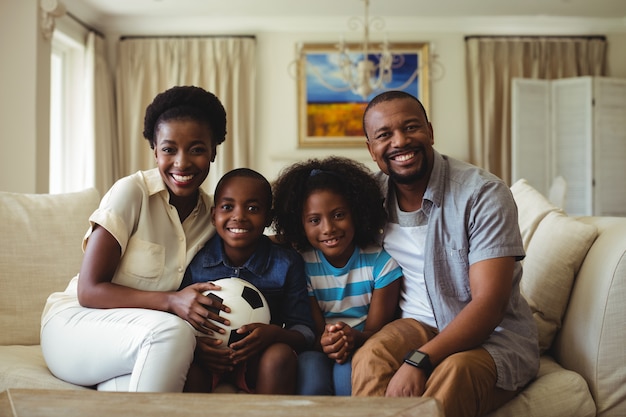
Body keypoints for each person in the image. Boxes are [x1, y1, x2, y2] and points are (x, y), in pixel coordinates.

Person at [352, 90, 539, 417]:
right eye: (384, 135)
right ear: (371, 150)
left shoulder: (482, 193)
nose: (400, 142)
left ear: (430, 132)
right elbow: (320, 232)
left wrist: (419, 360)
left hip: (491, 338)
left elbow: (489, 305)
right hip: (416, 324)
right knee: (370, 356)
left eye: (411, 128)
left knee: (455, 371)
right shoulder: (370, 195)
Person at [40, 85, 231, 392]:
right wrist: (171, 302)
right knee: (173, 335)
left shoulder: (212, 216)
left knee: (162, 379)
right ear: (155, 151)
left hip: (139, 339)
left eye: (196, 149)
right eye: (169, 149)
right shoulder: (132, 193)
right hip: (75, 327)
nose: (181, 163)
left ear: (213, 152)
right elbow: (89, 291)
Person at [272, 156, 403, 396]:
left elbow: (378, 333)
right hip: (317, 347)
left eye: (338, 215)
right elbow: (314, 331)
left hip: (364, 344)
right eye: (314, 220)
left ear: (357, 212)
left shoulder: (382, 265)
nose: (328, 228)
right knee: (311, 374)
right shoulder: (301, 264)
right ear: (300, 224)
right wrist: (328, 341)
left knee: (347, 378)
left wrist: (353, 338)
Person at [180, 168, 315, 394]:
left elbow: (305, 331)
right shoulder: (196, 260)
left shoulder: (287, 263)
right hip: (208, 360)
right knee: (184, 361)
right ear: (214, 215)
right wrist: (196, 348)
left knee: (280, 355)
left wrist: (274, 334)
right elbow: (179, 317)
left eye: (253, 208)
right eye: (227, 207)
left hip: (259, 361)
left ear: (268, 218)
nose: (239, 216)